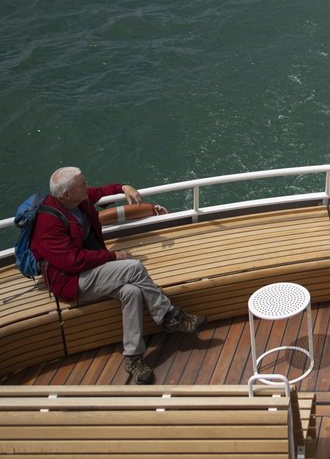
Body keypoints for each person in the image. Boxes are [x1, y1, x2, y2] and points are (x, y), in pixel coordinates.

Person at [30, 165, 207, 385]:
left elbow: (100, 193)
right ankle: (169, 316)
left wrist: (123, 187)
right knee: (133, 267)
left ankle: (132, 358)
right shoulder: (48, 223)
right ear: (65, 193)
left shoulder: (78, 200)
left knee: (131, 292)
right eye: (82, 184)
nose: (87, 186)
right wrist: (113, 256)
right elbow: (71, 261)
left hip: (91, 269)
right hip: (71, 281)